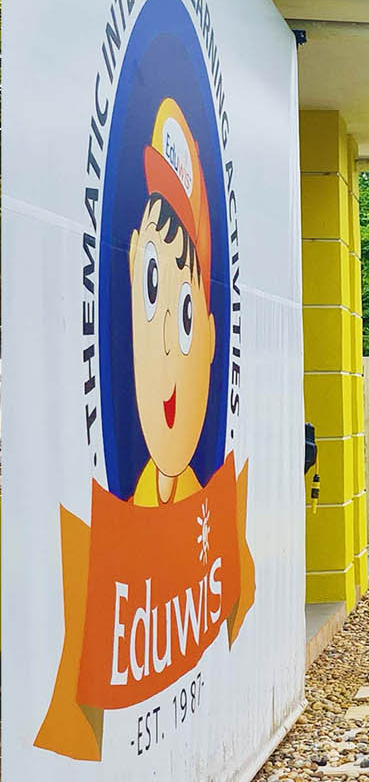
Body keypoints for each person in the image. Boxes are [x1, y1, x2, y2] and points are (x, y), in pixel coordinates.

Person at [126, 98, 218, 506]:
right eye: (150, 283)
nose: (164, 336)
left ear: (209, 339)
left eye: (184, 315)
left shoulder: (204, 504)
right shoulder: (136, 498)